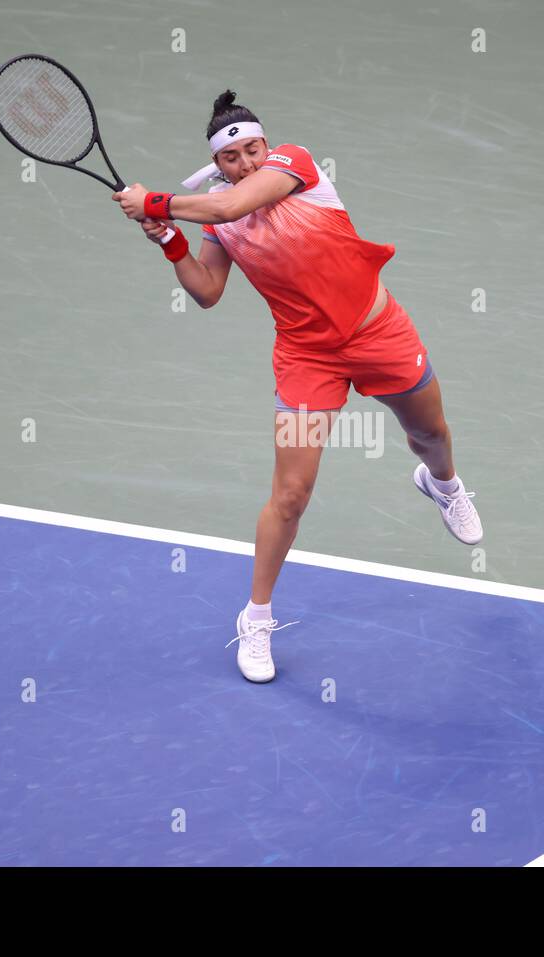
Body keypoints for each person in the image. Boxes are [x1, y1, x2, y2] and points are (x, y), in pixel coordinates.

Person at [113, 90, 482, 683]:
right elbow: (207, 290)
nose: (247, 163)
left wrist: (155, 201)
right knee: (291, 495)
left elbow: (231, 208)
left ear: (268, 145)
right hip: (308, 360)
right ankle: (256, 619)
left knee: (430, 434)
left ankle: (444, 485)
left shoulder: (297, 166)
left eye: (253, 149)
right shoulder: (218, 211)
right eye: (232, 159)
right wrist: (167, 239)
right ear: (218, 164)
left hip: (378, 332)